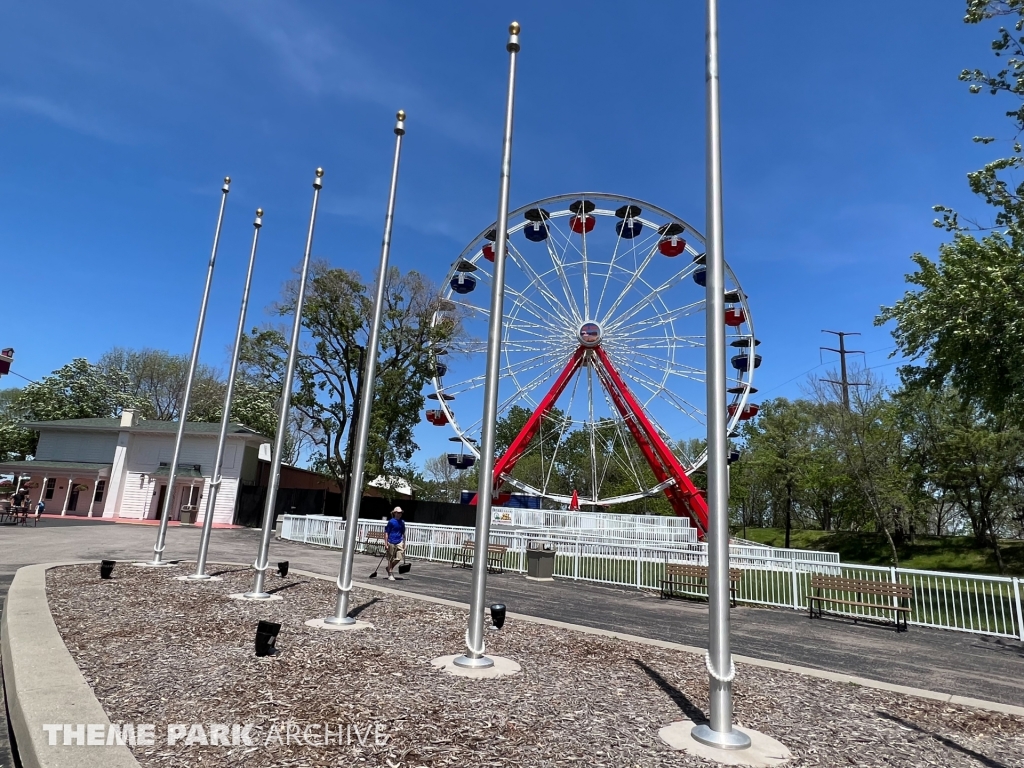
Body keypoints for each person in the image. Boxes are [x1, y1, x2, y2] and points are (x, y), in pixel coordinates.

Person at [384, 506, 406, 581]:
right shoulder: (391, 522)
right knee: (390, 558)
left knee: (399, 557)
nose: (399, 514)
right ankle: (390, 573)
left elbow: (403, 533)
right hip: (391, 541)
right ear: (395, 513)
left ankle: (389, 568)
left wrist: (404, 543)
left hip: (399, 541)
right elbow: (386, 533)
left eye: (400, 513)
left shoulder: (402, 522)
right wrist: (386, 543)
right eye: (398, 513)